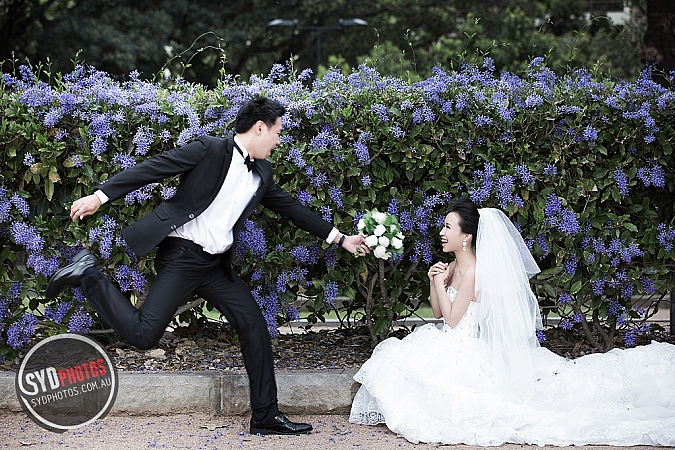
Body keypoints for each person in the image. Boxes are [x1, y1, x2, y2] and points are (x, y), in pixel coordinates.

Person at [46, 95, 370, 436]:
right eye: (277, 133)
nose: (278, 140)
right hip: (182, 257)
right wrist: (99, 197)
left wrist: (341, 239)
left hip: (215, 266)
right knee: (144, 335)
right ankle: (88, 274)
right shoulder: (209, 150)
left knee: (254, 327)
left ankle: (265, 416)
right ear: (260, 128)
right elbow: (153, 168)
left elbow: (291, 208)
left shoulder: (262, 172)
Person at [349, 197, 675, 446]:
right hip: (448, 338)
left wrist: (437, 282)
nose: (442, 233)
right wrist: (436, 280)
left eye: (448, 227)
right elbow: (437, 312)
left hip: (462, 344)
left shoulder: (473, 271)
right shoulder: (455, 266)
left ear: (466, 236)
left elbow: (452, 319)